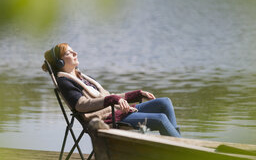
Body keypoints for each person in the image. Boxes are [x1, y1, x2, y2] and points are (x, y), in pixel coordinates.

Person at [42, 43, 181, 137]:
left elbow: (108, 96)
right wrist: (113, 100)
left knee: (164, 103)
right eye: (69, 52)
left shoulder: (83, 78)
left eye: (73, 51)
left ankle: (179, 147)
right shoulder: (64, 81)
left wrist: (137, 94)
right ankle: (183, 153)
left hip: (118, 111)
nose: (75, 53)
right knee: (161, 119)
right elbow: (81, 105)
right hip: (107, 119)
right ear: (60, 62)